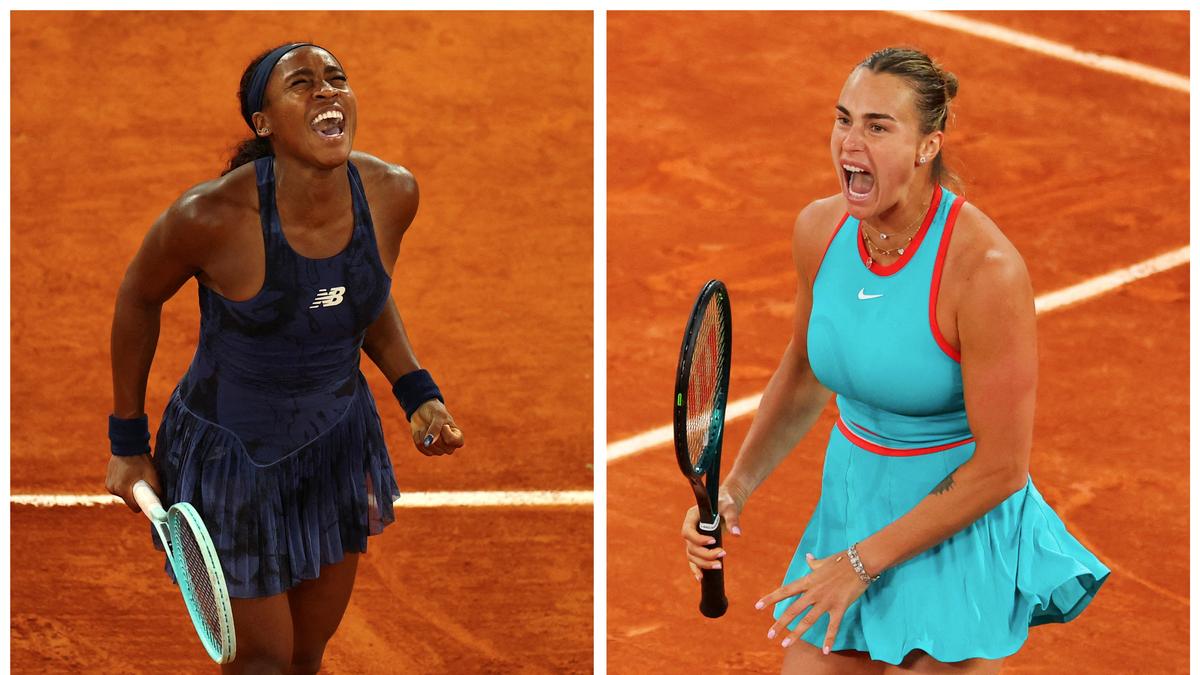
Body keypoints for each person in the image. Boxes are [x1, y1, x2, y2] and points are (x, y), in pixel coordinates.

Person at [681, 47, 1108, 674]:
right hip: (850, 510)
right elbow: (805, 370)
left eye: (878, 127)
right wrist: (733, 490)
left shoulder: (984, 271)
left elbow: (1002, 467)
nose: (850, 143)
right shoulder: (819, 231)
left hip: (954, 528)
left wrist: (860, 565)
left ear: (926, 146)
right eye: (844, 119)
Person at [104, 42, 464, 674]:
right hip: (234, 458)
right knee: (261, 663)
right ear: (263, 122)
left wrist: (416, 391)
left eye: (336, 78)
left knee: (304, 657)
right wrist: (128, 442)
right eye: (301, 83)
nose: (326, 91)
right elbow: (138, 297)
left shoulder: (392, 193)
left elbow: (362, 290)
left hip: (336, 445)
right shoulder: (211, 216)